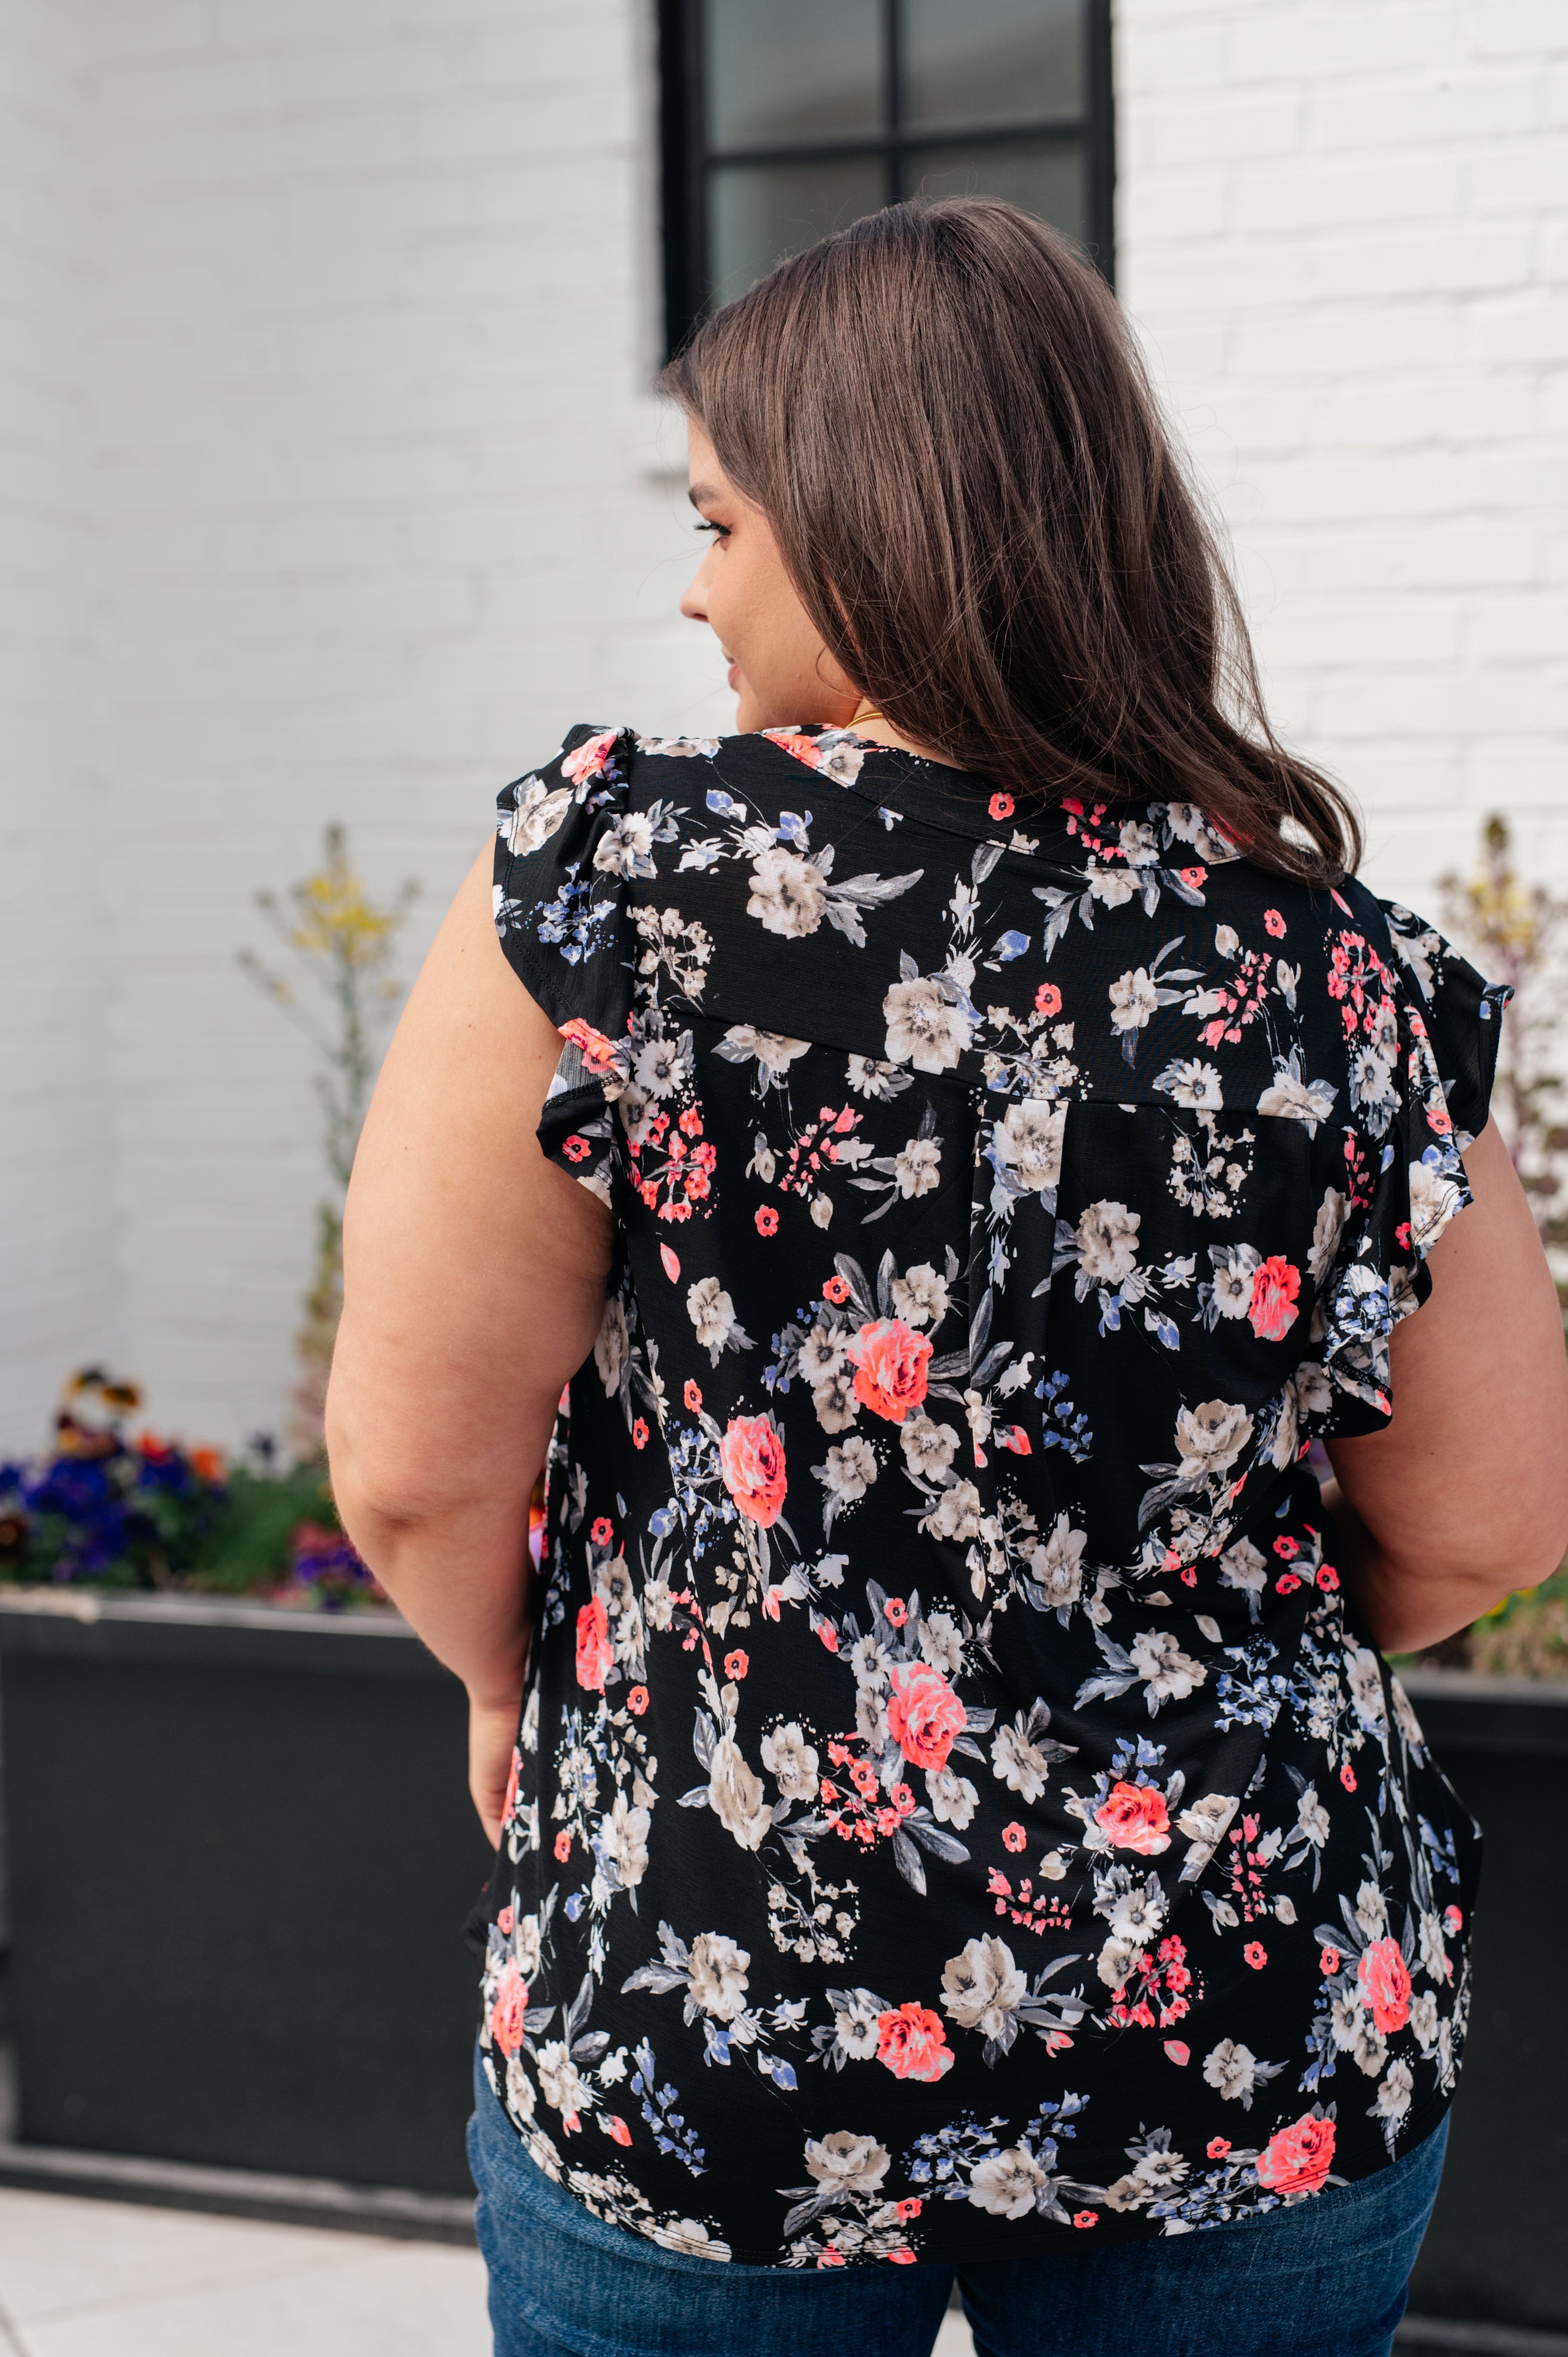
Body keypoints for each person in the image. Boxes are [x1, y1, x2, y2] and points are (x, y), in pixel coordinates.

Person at [325, 200, 1568, 2357]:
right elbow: (1491, 1519)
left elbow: (419, 1471)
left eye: (719, 520)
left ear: (868, 519)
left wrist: (524, 1681)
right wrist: (1148, 1645)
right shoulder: (1353, 975)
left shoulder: (616, 888)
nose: (691, 580)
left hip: (717, 2007)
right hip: (1244, 2023)